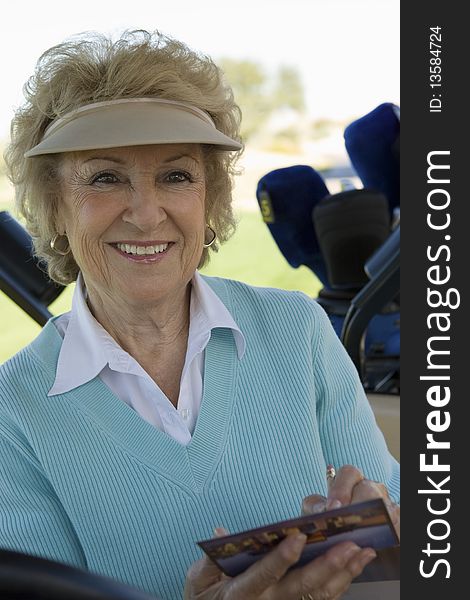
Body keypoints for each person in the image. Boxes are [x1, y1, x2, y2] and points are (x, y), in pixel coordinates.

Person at [0, 30, 400, 600]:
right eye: (105, 177)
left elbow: (405, 520)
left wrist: (389, 524)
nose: (145, 213)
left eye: (176, 175)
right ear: (55, 205)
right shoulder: (11, 410)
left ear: (208, 198)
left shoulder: (297, 330)